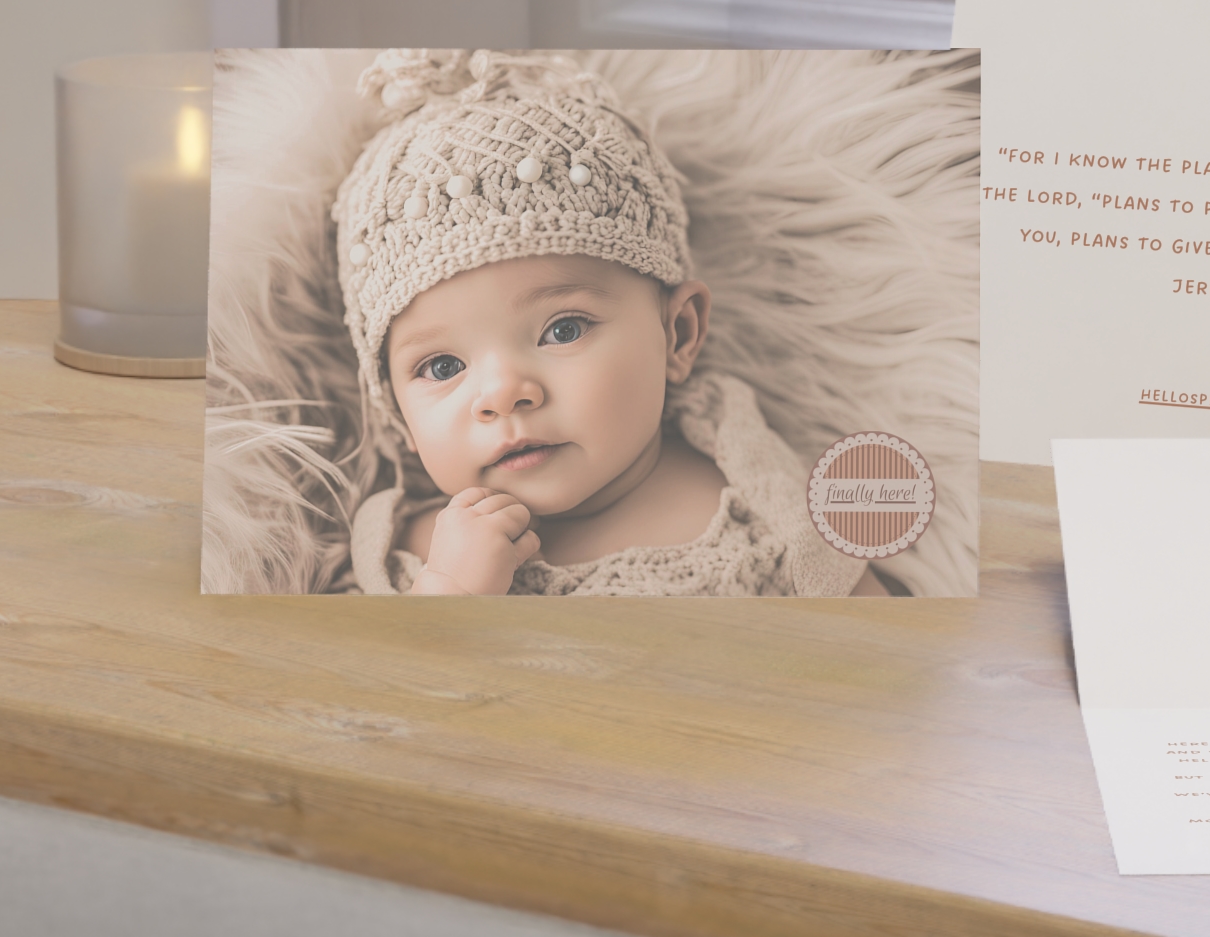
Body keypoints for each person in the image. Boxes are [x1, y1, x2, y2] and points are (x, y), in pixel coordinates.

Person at [332, 49, 885, 597]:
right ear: (395, 411)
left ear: (679, 334)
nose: (503, 395)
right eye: (443, 366)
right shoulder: (409, 551)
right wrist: (448, 596)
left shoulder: (760, 504)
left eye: (564, 330)